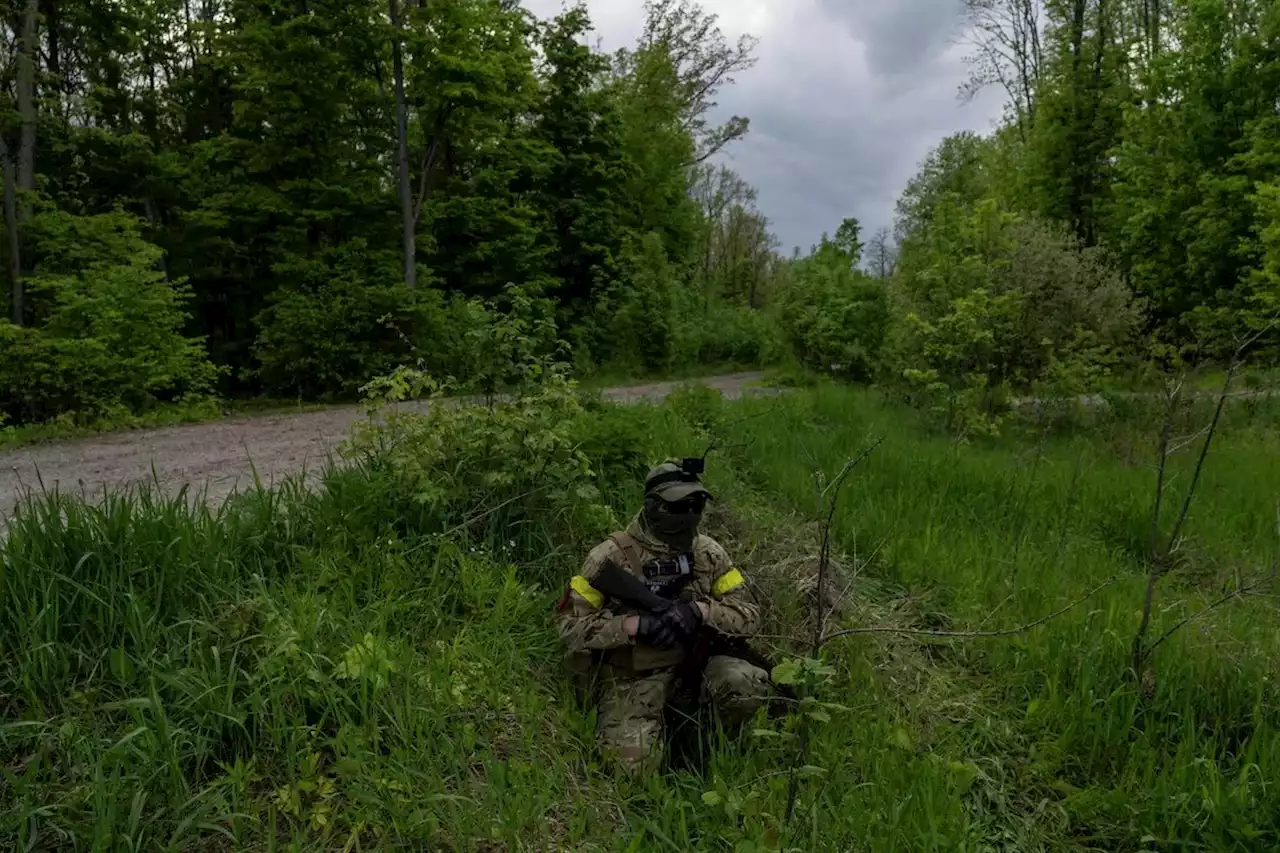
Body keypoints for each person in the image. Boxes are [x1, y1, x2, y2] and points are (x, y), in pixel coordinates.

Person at [556, 460, 770, 775]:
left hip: (695, 668)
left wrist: (701, 612)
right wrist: (631, 627)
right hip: (633, 677)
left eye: (696, 505)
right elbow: (568, 627)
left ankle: (704, 746)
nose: (689, 514)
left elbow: (750, 614)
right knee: (630, 770)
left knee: (745, 684)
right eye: (679, 506)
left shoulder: (709, 554)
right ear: (653, 506)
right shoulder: (608, 558)